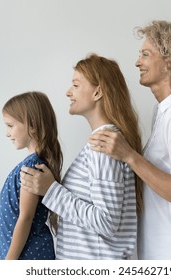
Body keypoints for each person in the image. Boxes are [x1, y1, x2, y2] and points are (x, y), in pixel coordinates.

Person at [89, 20, 171, 259]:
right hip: (165, 254)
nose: (138, 62)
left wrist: (129, 156)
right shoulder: (163, 112)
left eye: (146, 54)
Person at [20, 54, 142, 259]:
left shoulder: (103, 145)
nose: (68, 92)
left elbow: (106, 222)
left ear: (98, 92)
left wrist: (51, 190)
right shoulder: (102, 143)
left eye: (76, 85)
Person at [0, 91, 63, 260]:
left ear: (32, 125)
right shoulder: (31, 164)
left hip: (29, 256)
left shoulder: (32, 167)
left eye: (10, 126)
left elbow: (25, 217)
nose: (6, 133)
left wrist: (9, 261)